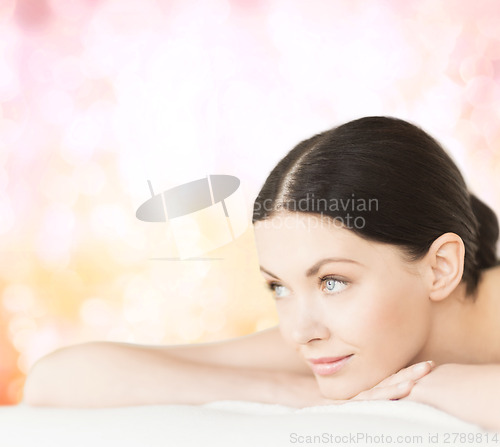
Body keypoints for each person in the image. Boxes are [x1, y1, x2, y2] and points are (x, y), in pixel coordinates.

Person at [22, 116, 500, 431]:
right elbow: (56, 379)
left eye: (332, 281)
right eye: (279, 286)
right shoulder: (341, 342)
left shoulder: (373, 342)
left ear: (440, 268)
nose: (298, 332)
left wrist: (429, 386)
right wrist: (293, 393)